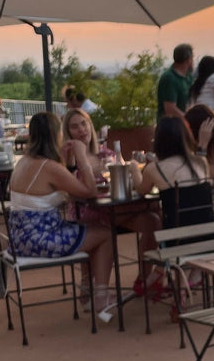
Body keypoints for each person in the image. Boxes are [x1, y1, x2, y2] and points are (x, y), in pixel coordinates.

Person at [8, 111, 114, 317]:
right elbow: (90, 192)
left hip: (19, 237)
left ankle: (87, 292)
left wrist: (65, 161)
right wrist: (82, 158)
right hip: (40, 238)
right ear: (56, 134)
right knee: (105, 233)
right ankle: (100, 296)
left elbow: (54, 185)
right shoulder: (49, 167)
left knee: (87, 227)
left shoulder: (25, 161)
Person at [61, 107, 160, 276]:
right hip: (89, 210)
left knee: (154, 220)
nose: (82, 130)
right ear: (68, 132)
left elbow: (121, 169)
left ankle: (144, 278)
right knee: (152, 208)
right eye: (75, 126)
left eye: (84, 124)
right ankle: (89, 282)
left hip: (114, 207)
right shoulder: (69, 156)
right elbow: (69, 187)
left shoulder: (103, 152)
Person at [129, 115, 214, 229]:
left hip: (177, 238)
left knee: (154, 219)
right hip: (211, 234)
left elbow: (141, 190)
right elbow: (207, 189)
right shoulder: (201, 161)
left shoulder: (154, 168)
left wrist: (134, 168)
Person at [156, 43, 194, 120]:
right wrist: (189, 120)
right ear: (188, 60)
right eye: (192, 58)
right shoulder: (169, 78)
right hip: (170, 126)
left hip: (183, 125)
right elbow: (170, 109)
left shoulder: (188, 77)